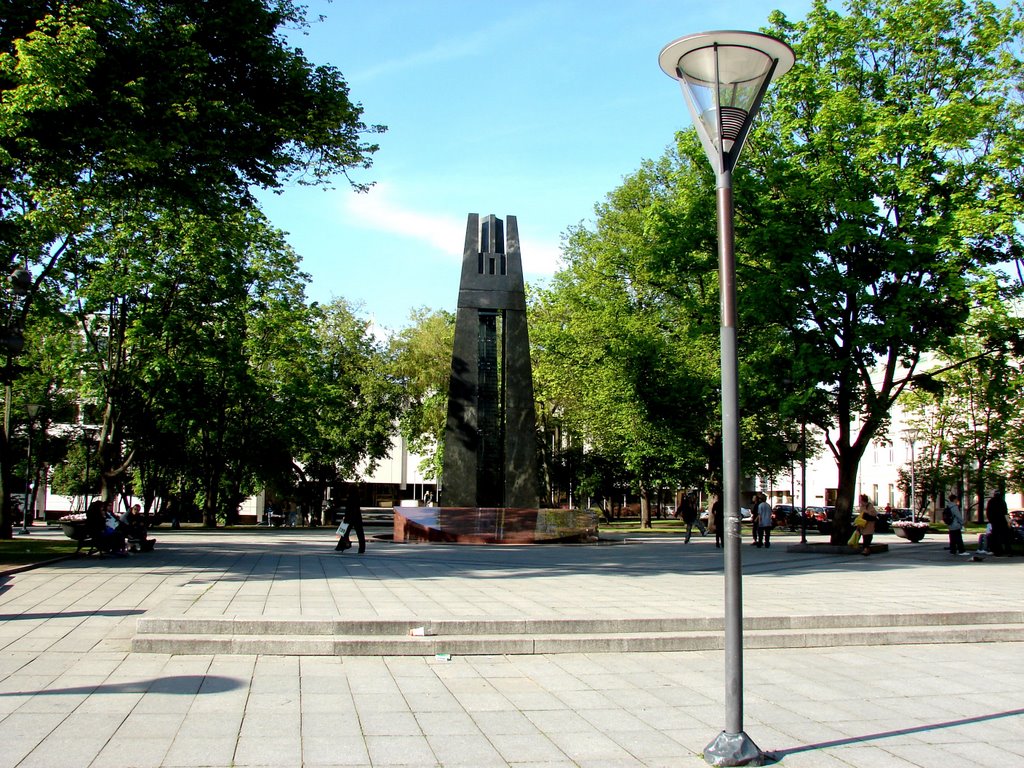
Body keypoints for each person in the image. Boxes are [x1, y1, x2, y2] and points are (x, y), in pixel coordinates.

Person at [335, 488, 365, 554]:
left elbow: (348, 509)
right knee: (360, 534)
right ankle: (362, 548)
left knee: (345, 532)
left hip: (350, 518)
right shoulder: (357, 498)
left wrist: (346, 517)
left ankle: (342, 545)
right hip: (357, 518)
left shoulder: (350, 498)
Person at [986, 488, 1013, 556]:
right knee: (1006, 537)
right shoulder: (1002, 501)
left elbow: (988, 512)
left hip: (995, 521)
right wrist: (1008, 521)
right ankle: (1008, 551)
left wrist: (991, 520)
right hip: (1003, 521)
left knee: (996, 537)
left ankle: (998, 551)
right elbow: (1005, 512)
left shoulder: (991, 501)